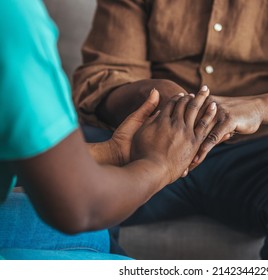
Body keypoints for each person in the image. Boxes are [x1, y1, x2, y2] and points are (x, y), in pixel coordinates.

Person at [73, 0, 268, 259]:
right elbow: (102, 78)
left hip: (267, 152)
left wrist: (262, 108)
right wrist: (153, 96)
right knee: (62, 165)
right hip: (154, 139)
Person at [0, 0, 217, 259]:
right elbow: (81, 207)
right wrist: (159, 164)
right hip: (82, 203)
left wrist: (112, 152)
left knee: (91, 236)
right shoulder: (12, 19)